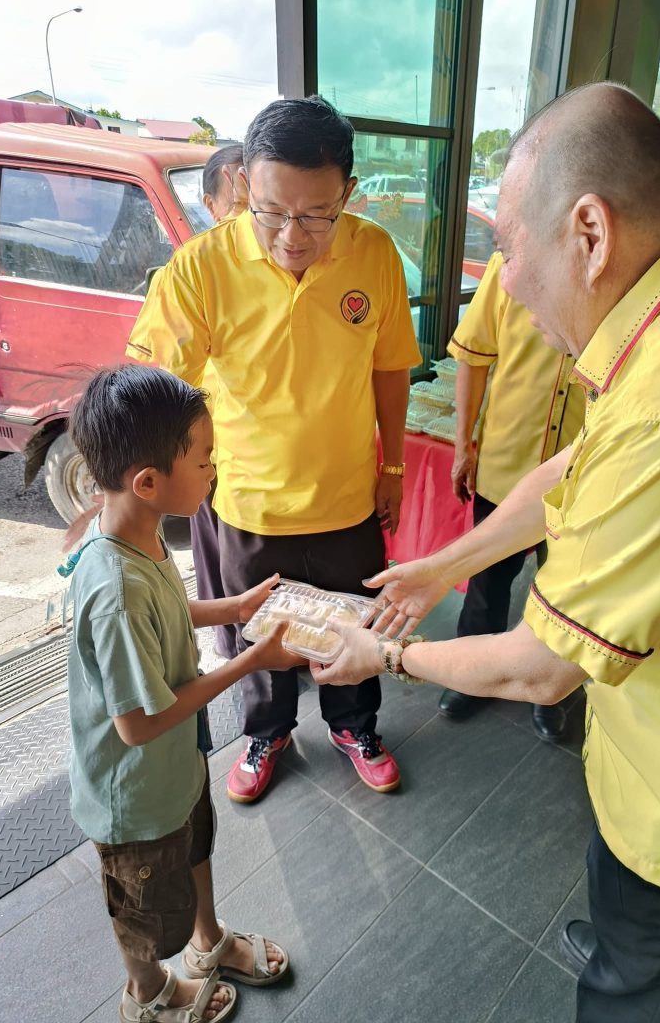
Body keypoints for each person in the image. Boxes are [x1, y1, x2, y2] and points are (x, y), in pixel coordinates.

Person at [310, 83, 660, 1020]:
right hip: (656, 752)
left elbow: (545, 668)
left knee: (639, 989)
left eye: (509, 247)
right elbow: (572, 471)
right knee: (621, 910)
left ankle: (646, 972)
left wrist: (385, 653)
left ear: (590, 231)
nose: (501, 280)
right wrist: (444, 566)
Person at [126, 95, 421, 803]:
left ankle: (355, 725)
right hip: (248, 501)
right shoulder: (201, 270)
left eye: (316, 214)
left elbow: (389, 365)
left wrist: (392, 464)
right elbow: (150, 390)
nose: (291, 234)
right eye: (269, 210)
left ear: (347, 193)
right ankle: (268, 730)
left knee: (354, 620)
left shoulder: (374, 253)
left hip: (347, 493)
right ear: (241, 189)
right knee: (259, 636)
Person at [65, 365, 296, 1023]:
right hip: (133, 793)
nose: (212, 469)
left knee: (195, 847)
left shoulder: (138, 533)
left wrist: (235, 609)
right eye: (204, 459)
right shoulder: (112, 588)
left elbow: (171, 609)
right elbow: (136, 723)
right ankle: (149, 993)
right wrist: (251, 661)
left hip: (175, 765)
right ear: (148, 481)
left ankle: (208, 942)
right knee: (143, 911)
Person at [438, 249, 584, 741]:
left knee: (567, 589)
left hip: (586, 473)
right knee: (487, 579)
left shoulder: (626, 268)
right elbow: (473, 358)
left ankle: (554, 688)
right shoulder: (512, 262)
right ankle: (472, 675)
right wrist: (463, 445)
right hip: (507, 463)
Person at [191, 145, 249, 659]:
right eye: (237, 207)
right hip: (213, 443)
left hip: (261, 455)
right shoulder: (199, 266)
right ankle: (235, 647)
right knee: (219, 555)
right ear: (210, 205)